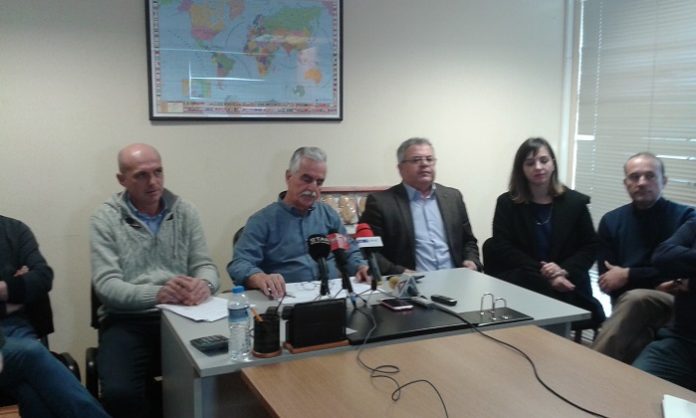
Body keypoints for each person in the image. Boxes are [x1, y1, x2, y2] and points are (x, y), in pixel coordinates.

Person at [91, 143, 219, 418]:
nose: (153, 182)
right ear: (122, 180)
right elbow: (106, 286)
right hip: (128, 321)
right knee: (120, 394)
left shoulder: (185, 211)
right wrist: (158, 294)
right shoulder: (106, 218)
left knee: (221, 372)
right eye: (141, 175)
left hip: (183, 316)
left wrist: (204, 286)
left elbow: (205, 266)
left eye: (158, 172)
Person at [483, 137, 605, 327]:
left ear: (553, 164)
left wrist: (563, 271)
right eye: (530, 163)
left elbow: (590, 246)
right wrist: (547, 274)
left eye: (544, 160)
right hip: (524, 284)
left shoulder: (576, 203)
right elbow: (502, 246)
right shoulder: (507, 203)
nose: (538, 167)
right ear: (521, 169)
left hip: (567, 282)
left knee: (560, 305)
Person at [0, 216, 108, 417]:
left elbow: (42, 278)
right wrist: (16, 291)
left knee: (32, 392)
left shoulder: (14, 230)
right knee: (32, 354)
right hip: (21, 346)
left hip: (19, 330)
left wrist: (4, 288)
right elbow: (28, 286)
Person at [592, 152, 695, 362]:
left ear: (664, 181)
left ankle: (590, 368)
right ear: (626, 183)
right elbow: (608, 282)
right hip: (627, 307)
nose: (641, 182)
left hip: (675, 307)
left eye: (650, 176)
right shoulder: (611, 221)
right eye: (634, 177)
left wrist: (628, 274)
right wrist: (656, 280)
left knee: (637, 300)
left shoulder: (686, 218)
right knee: (637, 342)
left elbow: (687, 274)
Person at [227, 146, 369, 299]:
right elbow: (240, 263)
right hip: (287, 300)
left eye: (319, 182)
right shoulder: (262, 221)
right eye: (306, 179)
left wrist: (361, 267)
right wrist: (258, 277)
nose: (312, 188)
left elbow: (350, 251)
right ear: (289, 177)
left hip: (333, 296)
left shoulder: (328, 215)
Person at [358, 138, 481, 275]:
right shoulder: (381, 203)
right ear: (400, 168)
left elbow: (468, 241)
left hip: (457, 278)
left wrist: (471, 260)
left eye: (429, 159)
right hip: (412, 283)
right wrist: (400, 272)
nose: (424, 164)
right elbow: (370, 252)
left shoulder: (453, 197)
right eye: (416, 160)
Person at [632, 219, 696, 391]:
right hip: (680, 343)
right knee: (631, 387)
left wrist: (692, 282)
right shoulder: (694, 225)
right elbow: (662, 256)